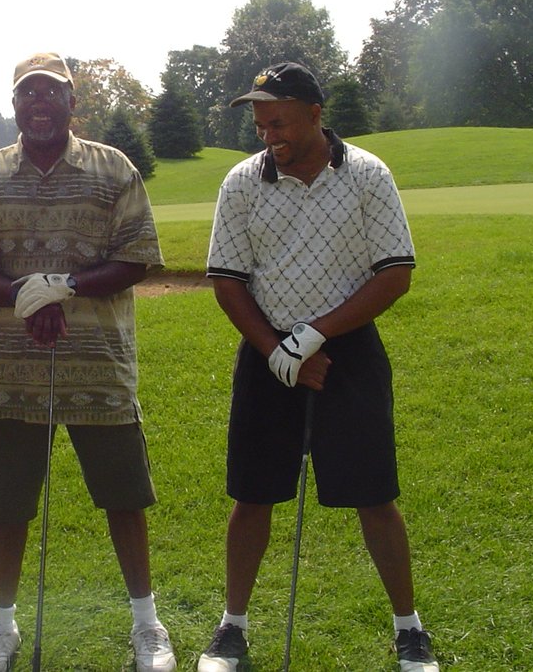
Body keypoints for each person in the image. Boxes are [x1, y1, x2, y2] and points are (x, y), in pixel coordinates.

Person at [198, 62, 439, 672]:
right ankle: (232, 630)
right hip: (266, 351)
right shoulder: (243, 182)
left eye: (276, 119)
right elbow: (227, 281)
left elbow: (395, 274)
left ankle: (409, 629)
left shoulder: (366, 175)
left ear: (314, 112)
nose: (266, 131)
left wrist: (314, 336)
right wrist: (279, 350)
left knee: (375, 494)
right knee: (252, 495)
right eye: (258, 120)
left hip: (347, 350)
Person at [0, 52, 177, 672]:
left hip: (100, 365)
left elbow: (137, 257)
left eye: (51, 93)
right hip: (8, 370)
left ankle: (147, 625)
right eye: (27, 95)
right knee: (7, 502)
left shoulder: (112, 168)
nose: (38, 104)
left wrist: (62, 287)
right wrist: (25, 294)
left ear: (73, 101)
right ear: (14, 105)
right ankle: (0, 628)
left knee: (124, 498)